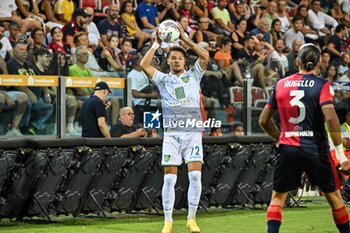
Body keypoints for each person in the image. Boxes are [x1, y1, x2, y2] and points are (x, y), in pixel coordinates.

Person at [259, 43, 350, 233]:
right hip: (315, 149)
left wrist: (280, 137)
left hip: (288, 148)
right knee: (334, 197)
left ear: (297, 61)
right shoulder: (322, 85)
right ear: (318, 64)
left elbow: (263, 121)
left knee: (277, 198)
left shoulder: (281, 84)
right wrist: (341, 155)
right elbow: (331, 118)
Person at [140, 23, 209, 233]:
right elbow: (144, 65)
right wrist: (155, 44)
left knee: (195, 176)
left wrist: (186, 40)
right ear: (168, 61)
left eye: (180, 58)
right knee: (169, 177)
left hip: (192, 133)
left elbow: (205, 56)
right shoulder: (163, 80)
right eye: (173, 58)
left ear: (184, 61)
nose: (176, 60)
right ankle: (168, 221)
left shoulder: (193, 75)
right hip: (172, 135)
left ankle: (191, 218)